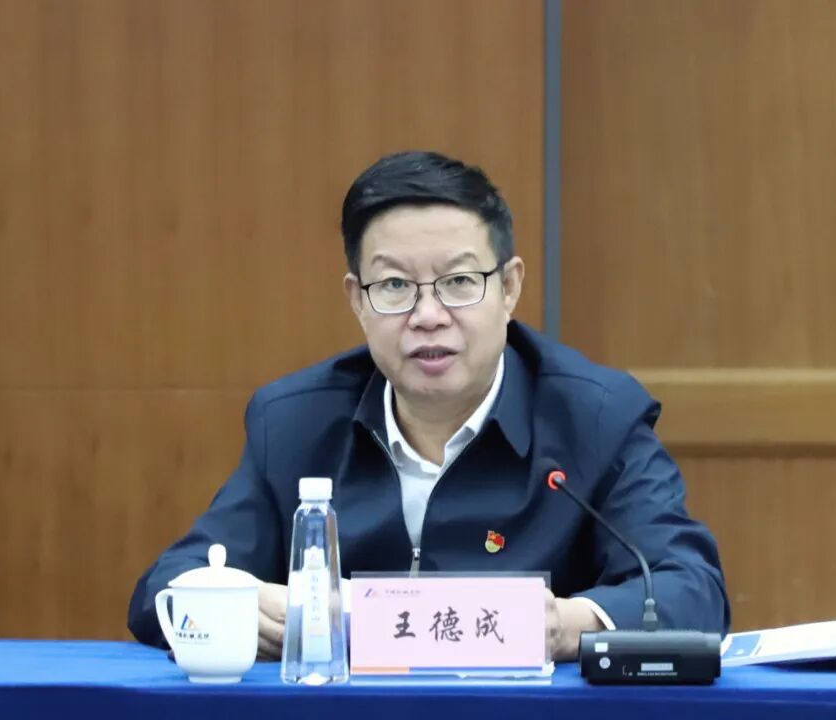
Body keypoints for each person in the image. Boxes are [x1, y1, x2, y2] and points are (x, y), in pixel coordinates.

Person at [128, 150, 729, 661]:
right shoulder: (294, 422)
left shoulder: (595, 416)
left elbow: (692, 591)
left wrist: (564, 627)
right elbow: (164, 590)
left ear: (509, 287)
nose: (428, 315)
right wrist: (233, 604)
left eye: (459, 282)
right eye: (394, 286)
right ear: (357, 300)